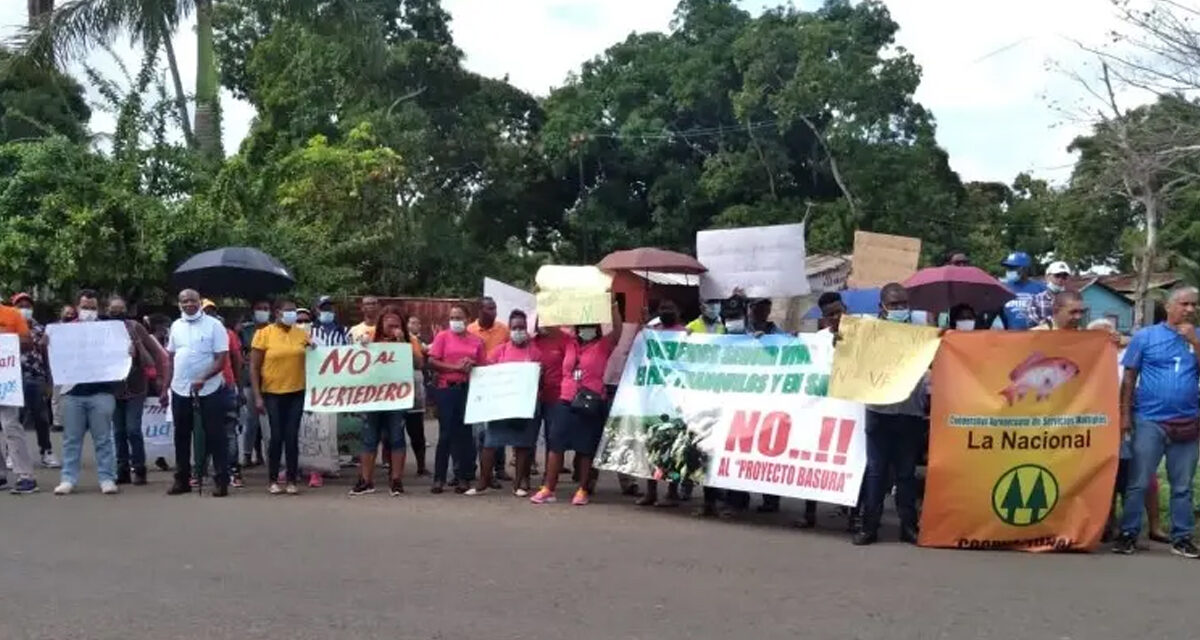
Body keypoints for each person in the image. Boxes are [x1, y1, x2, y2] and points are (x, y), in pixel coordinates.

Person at [1113, 286, 1200, 558]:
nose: (1190, 310)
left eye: (1194, 305)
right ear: (1169, 306)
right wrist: (1125, 415)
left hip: (1188, 421)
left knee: (1182, 485)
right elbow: (1129, 378)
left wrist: (1196, 343)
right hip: (1149, 419)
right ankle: (1129, 533)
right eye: (1184, 304)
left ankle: (1182, 537)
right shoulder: (1146, 337)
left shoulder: (1197, 337)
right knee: (1139, 481)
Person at [853, 283, 927, 545]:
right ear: (882, 306)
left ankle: (908, 527)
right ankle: (868, 526)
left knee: (906, 473)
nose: (899, 309)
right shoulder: (866, 332)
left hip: (909, 410)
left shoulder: (921, 330)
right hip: (879, 410)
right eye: (894, 304)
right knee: (876, 471)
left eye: (903, 304)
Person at [531, 301, 624, 506]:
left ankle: (583, 490)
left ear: (597, 328)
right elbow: (549, 325)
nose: (586, 329)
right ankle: (548, 488)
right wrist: (546, 299)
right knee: (556, 444)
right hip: (565, 399)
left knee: (585, 448)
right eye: (582, 325)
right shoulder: (568, 342)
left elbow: (618, 330)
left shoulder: (603, 345)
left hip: (591, 400)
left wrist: (614, 306)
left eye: (590, 325)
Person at [161, 290, 230, 497]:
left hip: (209, 389)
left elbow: (221, 359)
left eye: (192, 300)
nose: (188, 304)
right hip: (180, 388)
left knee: (215, 435)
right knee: (181, 435)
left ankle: (221, 480)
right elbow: (170, 358)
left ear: (199, 302)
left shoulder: (214, 325)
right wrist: (165, 387)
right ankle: (182, 480)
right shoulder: (176, 326)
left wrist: (204, 377)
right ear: (179, 304)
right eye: (183, 301)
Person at [54, 290, 121, 496]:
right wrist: (47, 346)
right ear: (76, 307)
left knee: (103, 439)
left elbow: (119, 355)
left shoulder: (109, 330)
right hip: (73, 392)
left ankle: (107, 478)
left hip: (101, 392)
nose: (89, 311)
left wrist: (128, 352)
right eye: (85, 307)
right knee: (71, 439)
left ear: (98, 308)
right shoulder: (64, 331)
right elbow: (54, 357)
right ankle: (68, 479)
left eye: (92, 308)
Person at [468, 309, 541, 496]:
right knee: (490, 443)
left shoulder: (535, 351)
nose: (519, 331)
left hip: (524, 406)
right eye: (515, 327)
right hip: (500, 407)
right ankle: (483, 482)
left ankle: (519, 484)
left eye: (522, 327)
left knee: (523, 445)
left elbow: (542, 377)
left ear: (527, 329)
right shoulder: (500, 351)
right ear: (510, 329)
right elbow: (485, 373)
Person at [350, 306, 414, 497]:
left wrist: (403, 344)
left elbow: (418, 363)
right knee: (369, 439)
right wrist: (361, 345)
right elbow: (353, 361)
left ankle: (396, 480)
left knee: (396, 438)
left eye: (396, 322)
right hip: (373, 398)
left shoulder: (408, 340)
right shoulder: (369, 336)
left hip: (395, 399)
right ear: (382, 322)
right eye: (389, 321)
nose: (393, 325)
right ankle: (366, 480)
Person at [250, 298, 309, 495]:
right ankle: (273, 479)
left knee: (292, 436)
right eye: (287, 310)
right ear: (277, 313)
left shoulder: (301, 334)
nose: (292, 314)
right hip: (272, 393)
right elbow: (254, 367)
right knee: (276, 437)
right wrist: (258, 396)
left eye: (293, 310)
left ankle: (292, 480)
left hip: (297, 391)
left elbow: (315, 357)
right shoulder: (263, 334)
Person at [108, 294, 167, 486]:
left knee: (133, 429)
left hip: (136, 385)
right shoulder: (102, 330)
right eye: (113, 311)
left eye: (120, 310)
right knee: (118, 431)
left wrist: (157, 375)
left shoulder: (135, 327)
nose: (117, 314)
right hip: (113, 387)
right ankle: (122, 469)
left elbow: (156, 353)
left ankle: (139, 468)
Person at [429, 304, 485, 494]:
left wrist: (472, 364)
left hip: (468, 390)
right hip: (447, 389)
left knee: (465, 435)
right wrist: (455, 368)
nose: (455, 321)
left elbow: (483, 366)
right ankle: (439, 478)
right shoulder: (442, 337)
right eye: (452, 317)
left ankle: (463, 477)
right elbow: (432, 361)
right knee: (445, 434)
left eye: (459, 317)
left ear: (468, 320)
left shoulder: (476, 341)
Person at [639, 300, 689, 507]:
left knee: (675, 449)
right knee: (652, 447)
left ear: (678, 312)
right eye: (663, 310)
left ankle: (672, 490)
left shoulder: (685, 334)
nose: (667, 313)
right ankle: (651, 491)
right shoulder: (652, 332)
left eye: (670, 309)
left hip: (676, 400)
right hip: (654, 399)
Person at [304, 295, 349, 488]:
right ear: (316, 309)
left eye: (330, 308)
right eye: (324, 308)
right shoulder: (307, 332)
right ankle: (309, 468)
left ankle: (325, 467)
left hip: (334, 387)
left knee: (329, 428)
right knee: (311, 427)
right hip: (311, 385)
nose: (327, 311)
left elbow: (353, 355)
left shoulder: (344, 332)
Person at [199, 300, 245, 488]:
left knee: (228, 431)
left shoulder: (228, 334)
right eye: (206, 311)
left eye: (212, 311)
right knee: (203, 431)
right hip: (201, 387)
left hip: (225, 386)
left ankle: (232, 470)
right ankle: (202, 470)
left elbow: (237, 361)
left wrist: (238, 388)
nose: (210, 315)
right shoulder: (192, 333)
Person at [469, 296, 511, 483]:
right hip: (477, 385)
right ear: (479, 310)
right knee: (480, 431)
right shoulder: (469, 330)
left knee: (498, 427)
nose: (493, 312)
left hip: (499, 384)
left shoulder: (504, 329)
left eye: (494, 308)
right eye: (489, 309)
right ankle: (485, 471)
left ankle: (500, 468)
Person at [12, 293, 57, 469]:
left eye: (27, 306)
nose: (24, 309)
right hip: (14, 378)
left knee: (41, 417)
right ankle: (13, 453)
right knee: (15, 418)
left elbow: (47, 357)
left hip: (36, 377)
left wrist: (49, 380)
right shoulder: (7, 328)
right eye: (20, 305)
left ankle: (46, 450)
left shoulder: (41, 329)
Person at [0, 295, 36, 494]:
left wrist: (6, 340)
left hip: (6, 378)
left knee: (10, 425)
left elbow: (28, 342)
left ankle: (25, 476)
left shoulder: (11, 314)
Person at [239, 298, 271, 469]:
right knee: (252, 420)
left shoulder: (275, 330)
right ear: (253, 311)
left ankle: (268, 455)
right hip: (250, 380)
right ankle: (247, 454)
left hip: (272, 379)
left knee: (270, 421)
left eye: (266, 308)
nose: (263, 311)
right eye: (259, 308)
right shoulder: (245, 331)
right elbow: (238, 352)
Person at [404, 314, 429, 476]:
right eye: (412, 322)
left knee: (417, 431)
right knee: (391, 433)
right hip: (393, 391)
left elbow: (420, 364)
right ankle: (393, 468)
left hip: (414, 389)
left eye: (417, 322)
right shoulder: (385, 340)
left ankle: (421, 466)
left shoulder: (416, 341)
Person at [998, 251, 1046, 330]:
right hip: (1010, 336)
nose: (1009, 271)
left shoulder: (1041, 288)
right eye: (1008, 268)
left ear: (1025, 269)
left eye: (1013, 268)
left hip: (1035, 336)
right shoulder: (1003, 288)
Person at [50, 304, 77, 434]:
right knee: (56, 396)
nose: (69, 315)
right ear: (61, 313)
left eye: (72, 313)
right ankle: (57, 423)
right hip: (58, 366)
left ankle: (73, 421)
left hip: (74, 366)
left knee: (70, 395)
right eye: (67, 313)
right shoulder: (54, 328)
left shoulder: (79, 328)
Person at [1028, 261, 1072, 326]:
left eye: (1064, 277)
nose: (1060, 279)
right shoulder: (1036, 300)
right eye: (1057, 275)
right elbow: (1032, 322)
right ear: (1047, 277)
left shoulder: (1072, 300)